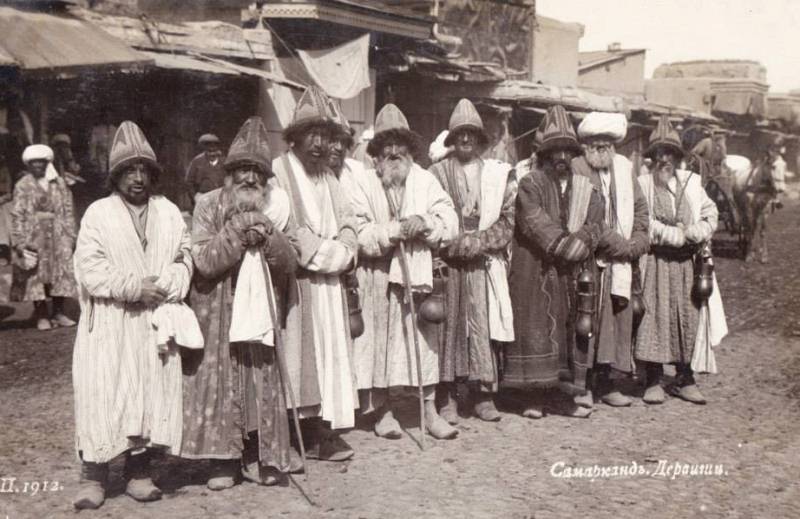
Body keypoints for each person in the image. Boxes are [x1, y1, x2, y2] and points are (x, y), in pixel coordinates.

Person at [72, 121, 197, 509]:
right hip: (109, 321)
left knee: (147, 395)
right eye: (129, 170)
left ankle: (137, 472)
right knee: (102, 394)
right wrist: (132, 286)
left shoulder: (169, 212)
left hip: (153, 320)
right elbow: (89, 269)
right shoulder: (98, 213)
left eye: (144, 170)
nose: (138, 178)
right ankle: (93, 475)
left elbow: (185, 256)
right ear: (117, 176)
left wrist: (170, 282)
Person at [182, 117, 298, 489]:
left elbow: (291, 260)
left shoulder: (275, 209)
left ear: (266, 180)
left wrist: (267, 236)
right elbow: (204, 260)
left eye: (257, 173)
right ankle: (224, 460)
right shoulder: (207, 207)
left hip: (260, 311)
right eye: (241, 172)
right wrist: (235, 230)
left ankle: (263, 456)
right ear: (228, 175)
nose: (249, 179)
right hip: (216, 313)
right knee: (221, 384)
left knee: (259, 383)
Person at [349, 103, 459, 440]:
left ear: (410, 152)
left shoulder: (426, 181)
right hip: (378, 276)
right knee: (380, 345)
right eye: (387, 148)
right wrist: (395, 230)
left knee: (422, 344)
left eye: (400, 148)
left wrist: (424, 223)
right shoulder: (363, 183)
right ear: (377, 154)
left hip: (417, 272)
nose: (394, 154)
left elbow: (450, 222)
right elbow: (359, 232)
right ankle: (383, 412)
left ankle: (428, 412)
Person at [271, 86, 358, 463]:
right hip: (298, 283)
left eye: (325, 136)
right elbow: (288, 230)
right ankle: (296, 430)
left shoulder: (330, 178)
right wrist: (329, 253)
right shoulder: (279, 172)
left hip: (330, 283)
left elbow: (349, 221)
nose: (320, 144)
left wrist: (346, 250)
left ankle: (322, 427)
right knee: (297, 356)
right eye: (312, 135)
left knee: (329, 356)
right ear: (295, 138)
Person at [504, 105, 604, 419]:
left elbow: (597, 221)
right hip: (535, 267)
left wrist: (584, 240)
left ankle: (566, 397)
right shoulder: (530, 183)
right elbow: (533, 221)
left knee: (570, 329)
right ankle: (532, 397)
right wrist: (563, 245)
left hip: (572, 271)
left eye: (566, 151)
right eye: (554, 151)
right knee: (535, 329)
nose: (560, 157)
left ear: (573, 154)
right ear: (545, 153)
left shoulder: (585, 187)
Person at [428, 99, 516, 423]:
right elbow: (428, 216)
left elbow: (508, 220)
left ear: (480, 139)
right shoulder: (435, 174)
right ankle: (447, 395)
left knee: (484, 325)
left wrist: (478, 241)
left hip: (483, 262)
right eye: (460, 134)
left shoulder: (496, 175)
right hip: (448, 262)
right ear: (451, 139)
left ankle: (483, 394)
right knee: (448, 327)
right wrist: (450, 243)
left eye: (471, 134)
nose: (465, 140)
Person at [636, 115, 727, 405]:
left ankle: (684, 378)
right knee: (655, 316)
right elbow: (643, 222)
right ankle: (652, 379)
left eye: (670, 154)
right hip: (656, 263)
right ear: (651, 159)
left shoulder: (691, 183)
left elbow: (710, 213)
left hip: (687, 265)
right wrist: (673, 235)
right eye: (659, 155)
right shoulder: (643, 185)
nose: (665, 160)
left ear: (677, 157)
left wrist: (696, 232)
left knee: (688, 317)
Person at [571, 112, 650, 410]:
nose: (601, 146)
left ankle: (605, 382)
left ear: (614, 143)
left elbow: (641, 210)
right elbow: (580, 215)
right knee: (585, 319)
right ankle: (581, 385)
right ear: (586, 143)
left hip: (621, 261)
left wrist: (639, 241)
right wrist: (617, 244)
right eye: (595, 141)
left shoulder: (624, 168)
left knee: (617, 321)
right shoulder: (577, 167)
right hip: (588, 259)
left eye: (607, 142)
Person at [10, 144, 77, 330]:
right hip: (34, 234)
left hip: (58, 232)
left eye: (41, 162)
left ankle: (59, 312)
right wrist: (19, 242)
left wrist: (71, 235)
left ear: (48, 163)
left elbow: (68, 210)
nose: (38, 165)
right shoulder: (23, 185)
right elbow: (17, 214)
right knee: (35, 274)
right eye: (34, 162)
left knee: (60, 272)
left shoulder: (59, 183)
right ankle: (41, 315)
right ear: (28, 165)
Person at [185, 133, 226, 204]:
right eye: (209, 151)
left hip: (221, 198)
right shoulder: (197, 161)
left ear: (218, 150)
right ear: (205, 150)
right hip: (203, 198)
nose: (212, 154)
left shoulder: (224, 162)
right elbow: (189, 181)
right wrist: (195, 197)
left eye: (214, 151)